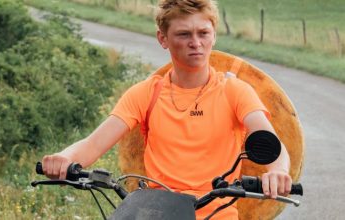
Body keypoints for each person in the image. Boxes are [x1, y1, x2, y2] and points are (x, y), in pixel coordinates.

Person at [41, 0, 292, 219]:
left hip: (217, 215)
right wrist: (64, 159)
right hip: (156, 214)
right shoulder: (146, 93)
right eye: (184, 34)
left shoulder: (235, 91)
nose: (196, 43)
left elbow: (272, 144)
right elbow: (93, 144)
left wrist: (278, 172)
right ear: (163, 38)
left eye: (203, 33)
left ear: (214, 35)